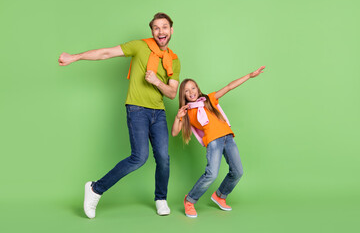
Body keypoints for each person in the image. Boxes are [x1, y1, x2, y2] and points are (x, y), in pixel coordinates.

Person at [58, 13, 181, 218]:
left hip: (158, 113)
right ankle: (95, 189)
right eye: (156, 28)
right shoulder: (140, 46)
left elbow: (171, 93)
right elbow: (106, 53)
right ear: (152, 31)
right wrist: (75, 57)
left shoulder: (174, 60)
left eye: (165, 27)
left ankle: (161, 198)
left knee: (163, 158)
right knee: (139, 157)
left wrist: (156, 82)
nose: (161, 31)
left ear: (171, 30)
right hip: (137, 110)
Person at [171, 66, 265, 218]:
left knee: (238, 171)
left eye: (193, 88)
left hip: (228, 136)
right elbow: (175, 133)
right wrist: (177, 117)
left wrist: (249, 75)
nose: (191, 92)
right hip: (214, 142)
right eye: (186, 91)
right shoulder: (187, 112)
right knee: (211, 174)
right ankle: (189, 200)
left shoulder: (209, 99)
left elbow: (229, 87)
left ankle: (220, 195)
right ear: (183, 96)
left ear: (197, 88)